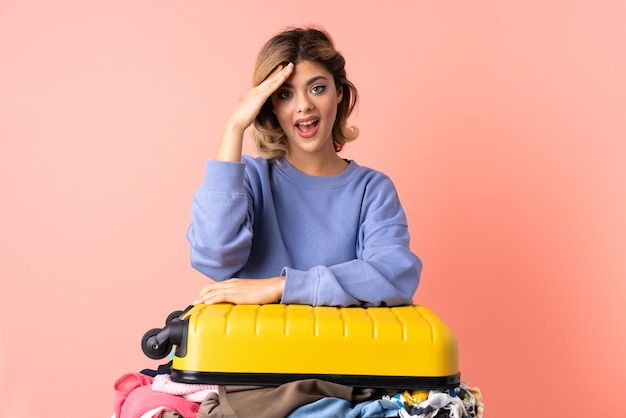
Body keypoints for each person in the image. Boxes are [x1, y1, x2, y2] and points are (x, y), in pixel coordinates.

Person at [188, 27, 421, 307]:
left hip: (339, 350)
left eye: (317, 88)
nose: (303, 105)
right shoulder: (249, 180)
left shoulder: (372, 190)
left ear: (338, 93)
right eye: (285, 95)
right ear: (269, 105)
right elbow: (214, 258)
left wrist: (282, 286)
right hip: (250, 349)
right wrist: (233, 127)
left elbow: (394, 276)